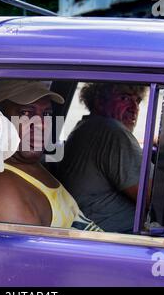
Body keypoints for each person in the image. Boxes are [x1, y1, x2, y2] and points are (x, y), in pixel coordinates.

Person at [0, 80, 102, 232]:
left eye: (46, 113)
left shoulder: (29, 165)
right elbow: (32, 256)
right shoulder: (0, 192)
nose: (42, 124)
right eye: (26, 113)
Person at [58, 83, 147, 233]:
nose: (134, 108)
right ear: (100, 101)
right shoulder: (112, 132)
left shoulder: (88, 127)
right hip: (119, 239)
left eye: (137, 101)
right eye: (124, 98)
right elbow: (158, 202)